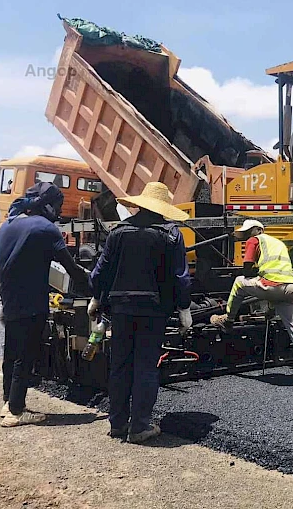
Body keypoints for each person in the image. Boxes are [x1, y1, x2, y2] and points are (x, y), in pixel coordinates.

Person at [88, 182, 192, 443]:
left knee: (120, 365)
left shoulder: (118, 232)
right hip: (154, 312)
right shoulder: (171, 234)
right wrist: (184, 308)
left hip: (120, 310)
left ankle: (118, 424)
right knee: (146, 366)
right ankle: (140, 427)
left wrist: (96, 297)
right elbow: (180, 277)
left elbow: (101, 272)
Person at [0, 182, 88, 427]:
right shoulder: (47, 229)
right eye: (58, 205)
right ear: (48, 205)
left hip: (10, 299)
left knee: (11, 353)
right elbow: (72, 270)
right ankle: (16, 412)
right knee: (26, 356)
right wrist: (95, 285)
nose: (59, 211)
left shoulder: (8, 224)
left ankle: (8, 403)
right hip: (31, 301)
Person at [209, 220, 293, 391]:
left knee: (239, 282)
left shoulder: (256, 239)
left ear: (258, 230)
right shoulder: (279, 243)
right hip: (291, 289)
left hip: (271, 285)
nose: (247, 236)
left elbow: (247, 266)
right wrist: (271, 311)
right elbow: (278, 282)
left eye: (249, 232)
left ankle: (228, 320)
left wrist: (249, 272)